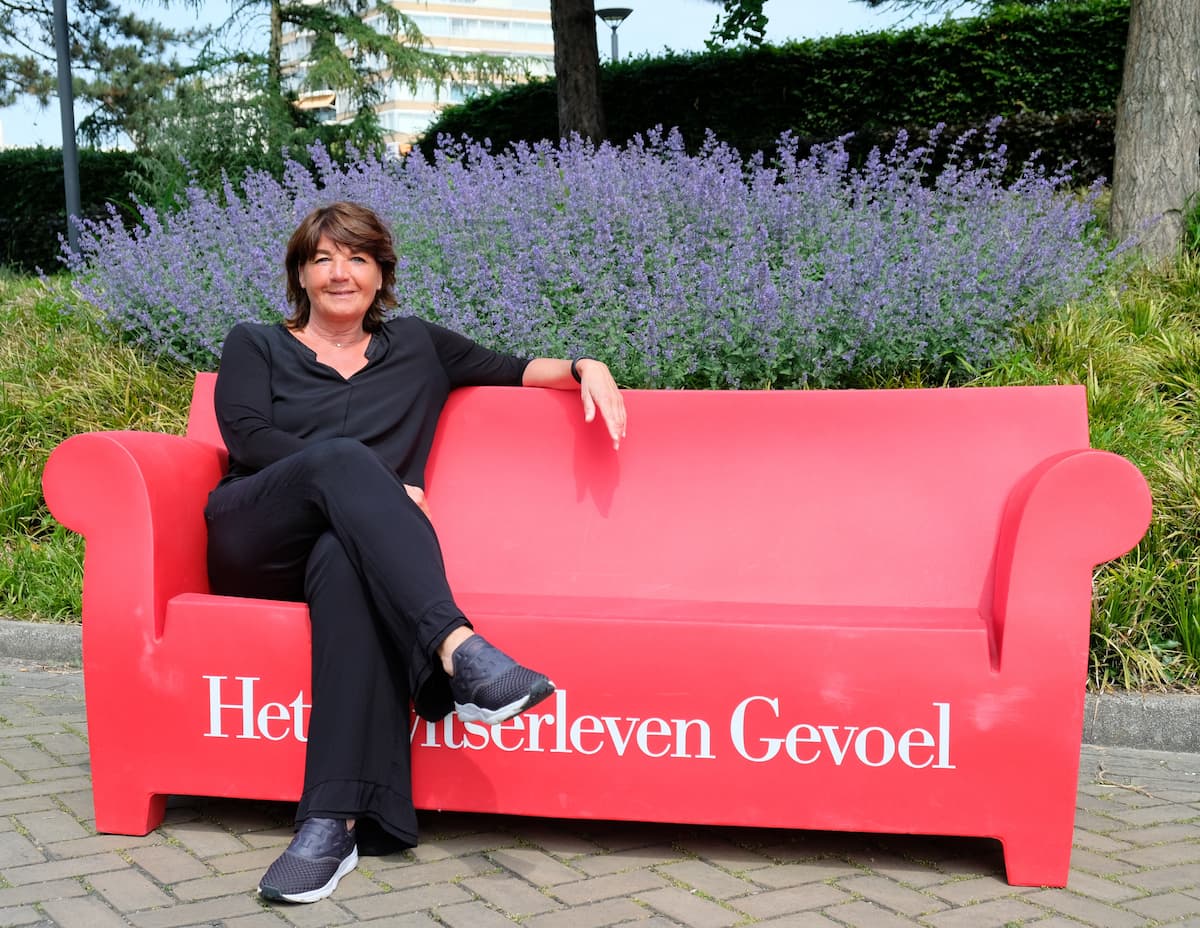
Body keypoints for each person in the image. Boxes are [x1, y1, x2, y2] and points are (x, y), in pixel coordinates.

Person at [204, 200, 626, 904]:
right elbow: (246, 436)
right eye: (322, 259)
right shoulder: (255, 342)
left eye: (357, 258)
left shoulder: (419, 346)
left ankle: (329, 826)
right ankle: (459, 649)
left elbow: (519, 367)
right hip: (258, 534)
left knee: (345, 564)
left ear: (381, 275)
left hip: (352, 550)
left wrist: (589, 364)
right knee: (344, 463)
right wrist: (371, 479)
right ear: (301, 275)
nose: (340, 273)